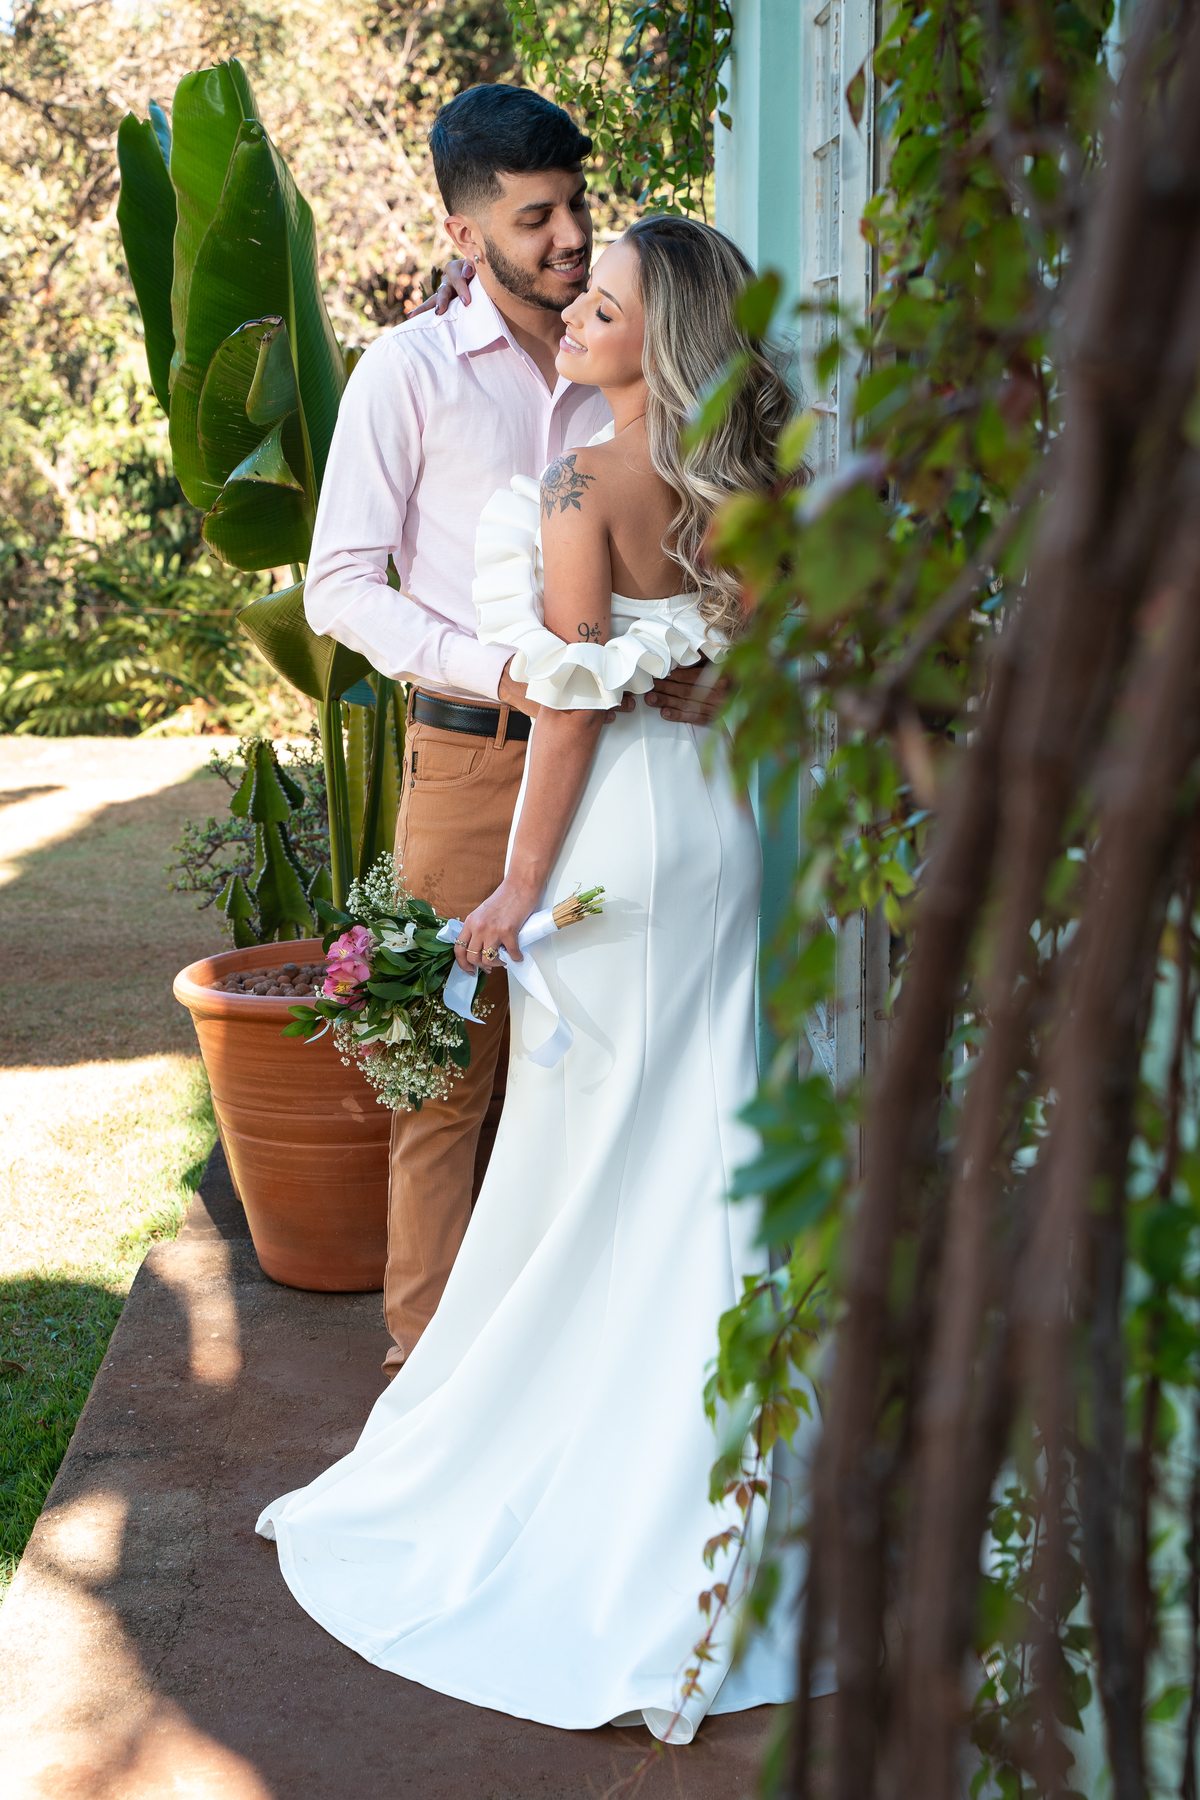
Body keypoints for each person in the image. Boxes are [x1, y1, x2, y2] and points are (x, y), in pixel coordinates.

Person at [257, 215, 811, 1743]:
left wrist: (510, 885)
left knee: (591, 1163)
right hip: (717, 838)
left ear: (660, 340)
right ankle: (731, 1488)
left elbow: (567, 717)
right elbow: (780, 670)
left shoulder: (581, 485)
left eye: (608, 306)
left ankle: (599, 1480)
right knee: (698, 1136)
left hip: (613, 841)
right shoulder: (761, 491)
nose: (580, 315)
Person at [304, 83, 723, 1380]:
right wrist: (511, 667)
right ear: (464, 226)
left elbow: (704, 549)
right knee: (446, 1078)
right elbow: (339, 585)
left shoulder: (631, 357)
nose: (567, 237)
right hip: (476, 761)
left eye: (576, 209)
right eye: (536, 216)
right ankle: (424, 1377)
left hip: (631, 778)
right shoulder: (407, 373)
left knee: (592, 1076)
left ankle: (580, 1382)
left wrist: (714, 669)